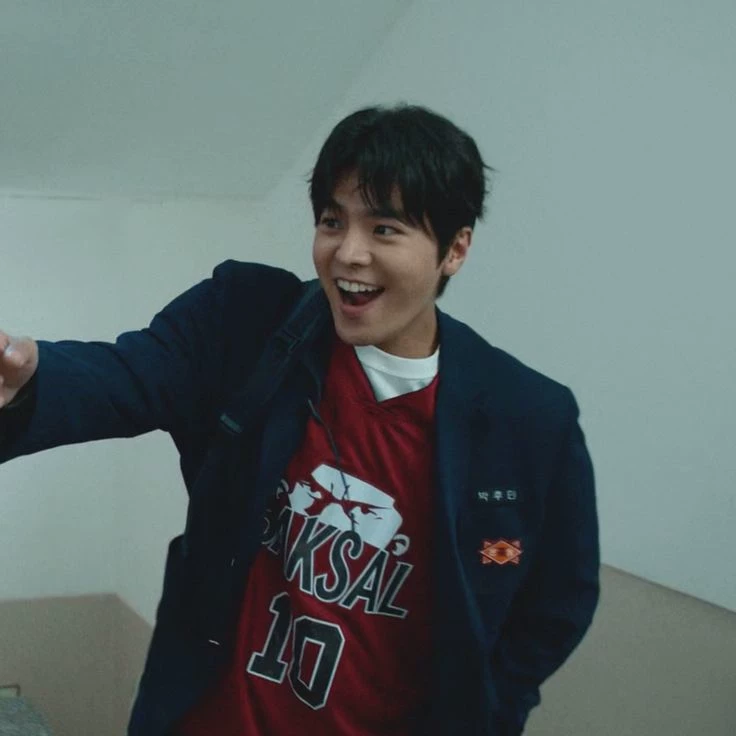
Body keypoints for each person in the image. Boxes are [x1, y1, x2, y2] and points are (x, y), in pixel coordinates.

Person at [0, 104, 599, 735]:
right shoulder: (245, 323)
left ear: (455, 249)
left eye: (385, 228)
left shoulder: (527, 418)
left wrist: (487, 715)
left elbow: (556, 603)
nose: (348, 253)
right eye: (332, 221)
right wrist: (29, 377)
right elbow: (127, 376)